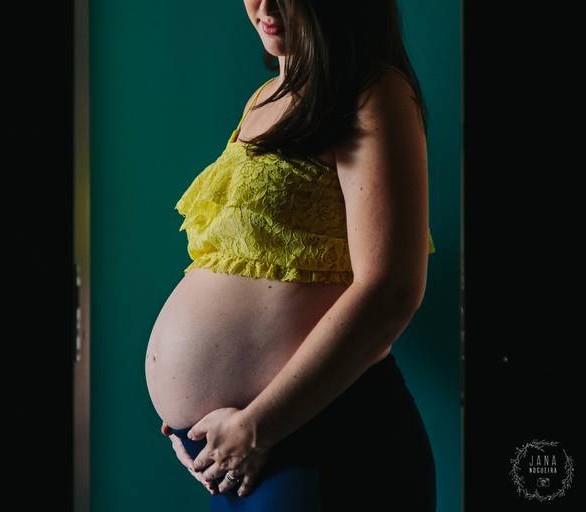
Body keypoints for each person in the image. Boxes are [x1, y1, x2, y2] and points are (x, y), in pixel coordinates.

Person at [145, 0, 438, 510]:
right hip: (243, 455)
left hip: (321, 441)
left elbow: (391, 290)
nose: (265, 6)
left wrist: (257, 426)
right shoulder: (265, 97)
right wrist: (192, 419)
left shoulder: (373, 92)